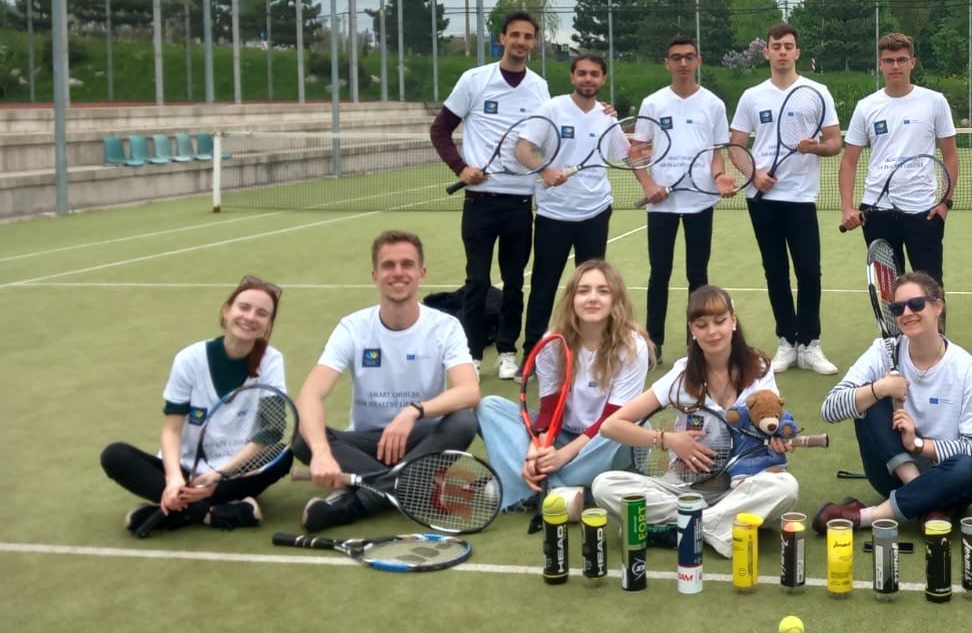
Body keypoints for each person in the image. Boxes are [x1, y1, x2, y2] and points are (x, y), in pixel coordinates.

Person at [593, 285, 801, 557]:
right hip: (681, 487)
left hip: (740, 487)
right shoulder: (680, 375)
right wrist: (668, 440)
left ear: (733, 321)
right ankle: (718, 524)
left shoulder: (760, 368)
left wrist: (777, 442)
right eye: (702, 325)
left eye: (720, 321)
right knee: (604, 486)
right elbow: (611, 425)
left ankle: (687, 527)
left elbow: (770, 422)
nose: (712, 332)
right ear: (692, 329)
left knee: (785, 488)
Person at [294, 231, 481, 533]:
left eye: (407, 264)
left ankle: (359, 498)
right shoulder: (353, 328)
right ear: (375, 275)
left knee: (463, 421)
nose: (397, 272)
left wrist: (413, 411)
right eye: (388, 265)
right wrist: (321, 452)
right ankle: (417, 486)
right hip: (367, 444)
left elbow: (469, 391)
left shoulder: (445, 327)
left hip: (422, 439)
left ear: (421, 273)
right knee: (304, 438)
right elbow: (310, 394)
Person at [102, 276, 292, 536]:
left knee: (283, 456)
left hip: (234, 472)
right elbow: (172, 430)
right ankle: (209, 512)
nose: (250, 317)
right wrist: (173, 479)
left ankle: (176, 512)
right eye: (244, 307)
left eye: (261, 313)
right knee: (115, 455)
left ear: (267, 324)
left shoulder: (271, 361)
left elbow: (271, 430)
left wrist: (219, 475)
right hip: (185, 468)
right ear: (227, 311)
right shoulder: (189, 359)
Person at [812, 272, 972, 531]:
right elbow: (830, 409)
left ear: (937, 307)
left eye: (916, 304)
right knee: (868, 400)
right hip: (892, 473)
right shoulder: (882, 350)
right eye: (898, 308)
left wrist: (918, 445)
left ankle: (865, 517)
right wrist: (879, 388)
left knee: (967, 467)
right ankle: (928, 503)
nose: (907, 312)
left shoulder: (967, 368)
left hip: (948, 476)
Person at [430, 9, 551, 381]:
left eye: (528, 36)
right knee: (477, 281)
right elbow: (440, 131)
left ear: (534, 42)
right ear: (502, 38)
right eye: (514, 35)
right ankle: (470, 353)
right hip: (480, 202)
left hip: (519, 201)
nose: (521, 42)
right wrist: (461, 169)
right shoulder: (474, 80)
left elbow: (547, 135)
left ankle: (507, 350)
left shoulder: (540, 87)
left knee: (515, 282)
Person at [478, 260, 650, 517]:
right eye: (584, 291)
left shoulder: (633, 346)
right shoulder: (552, 343)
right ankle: (565, 487)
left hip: (602, 442)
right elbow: (550, 411)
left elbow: (612, 418)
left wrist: (563, 456)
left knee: (634, 427)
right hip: (560, 436)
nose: (592, 298)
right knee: (489, 406)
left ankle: (535, 487)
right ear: (572, 298)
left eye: (603, 291)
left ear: (616, 299)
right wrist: (535, 451)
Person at [728, 22, 843, 374]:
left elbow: (835, 142)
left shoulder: (817, 92)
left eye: (787, 46)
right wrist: (754, 175)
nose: (781, 51)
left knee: (809, 271)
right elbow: (736, 145)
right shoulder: (752, 96)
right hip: (762, 199)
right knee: (775, 272)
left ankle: (810, 344)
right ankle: (787, 342)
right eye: (775, 46)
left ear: (797, 52)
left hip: (801, 197)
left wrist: (817, 147)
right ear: (766, 52)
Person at [634, 37, 734, 363]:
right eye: (676, 57)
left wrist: (719, 178)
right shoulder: (652, 103)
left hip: (700, 203)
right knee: (659, 273)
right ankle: (653, 345)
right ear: (667, 62)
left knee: (697, 275)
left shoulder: (714, 105)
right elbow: (637, 151)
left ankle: (696, 345)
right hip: (661, 205)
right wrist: (649, 184)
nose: (683, 64)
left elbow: (717, 154)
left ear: (698, 61)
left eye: (689, 57)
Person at [518, 52, 621, 357]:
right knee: (544, 286)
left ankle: (589, 351)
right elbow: (523, 148)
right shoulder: (552, 109)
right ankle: (532, 352)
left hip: (595, 212)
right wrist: (544, 170)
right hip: (554, 214)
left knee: (593, 290)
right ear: (572, 77)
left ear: (603, 79)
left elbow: (627, 153)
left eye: (595, 74)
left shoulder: (607, 117)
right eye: (582, 73)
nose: (588, 79)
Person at [838, 31, 960, 281]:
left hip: (923, 212)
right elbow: (849, 161)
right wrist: (847, 207)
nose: (896, 66)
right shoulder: (866, 107)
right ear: (880, 65)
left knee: (930, 290)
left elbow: (950, 155)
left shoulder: (935, 102)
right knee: (889, 290)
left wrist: (945, 202)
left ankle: (933, 323)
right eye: (889, 60)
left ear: (912, 63)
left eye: (902, 60)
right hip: (876, 212)